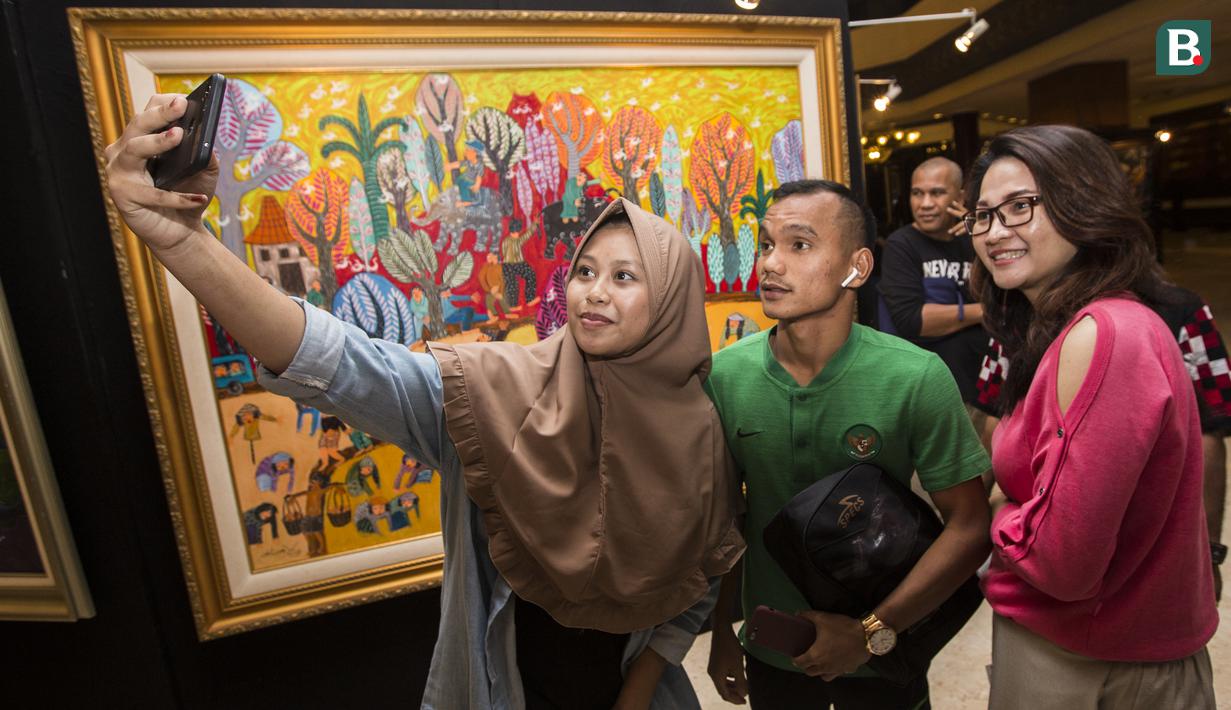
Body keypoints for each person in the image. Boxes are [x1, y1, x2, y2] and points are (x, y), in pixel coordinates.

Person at [103, 92, 743, 710]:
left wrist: (636, 694)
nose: (594, 292)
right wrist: (184, 243)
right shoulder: (491, 395)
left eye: (624, 276)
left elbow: (696, 581)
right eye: (584, 270)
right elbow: (341, 363)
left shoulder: (699, 427)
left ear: (671, 300)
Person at [705, 179, 992, 710]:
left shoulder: (914, 376)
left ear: (856, 268)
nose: (770, 263)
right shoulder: (725, 376)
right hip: (775, 650)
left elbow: (971, 527)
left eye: (799, 244)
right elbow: (730, 521)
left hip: (887, 649)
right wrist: (725, 628)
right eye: (766, 244)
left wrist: (870, 633)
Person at [965, 125, 1217, 708]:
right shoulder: (1062, 328)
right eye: (983, 215)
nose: (995, 232)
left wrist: (996, 510)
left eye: (1020, 207)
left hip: (1094, 658)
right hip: (1087, 642)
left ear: (1083, 204)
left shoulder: (1104, 336)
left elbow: (1062, 564)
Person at [971, 288, 1231, 599]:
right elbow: (994, 412)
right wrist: (974, 527)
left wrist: (1209, 553)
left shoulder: (1180, 308)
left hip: (1139, 570)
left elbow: (1208, 430)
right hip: (1033, 567)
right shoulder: (1013, 308)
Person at [878, 157, 986, 402]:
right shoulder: (901, 244)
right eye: (917, 193)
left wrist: (981, 232)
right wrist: (983, 311)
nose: (925, 204)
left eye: (937, 193)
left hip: (981, 373)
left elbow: (1009, 299)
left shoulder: (976, 240)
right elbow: (913, 320)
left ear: (960, 198)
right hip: (929, 383)